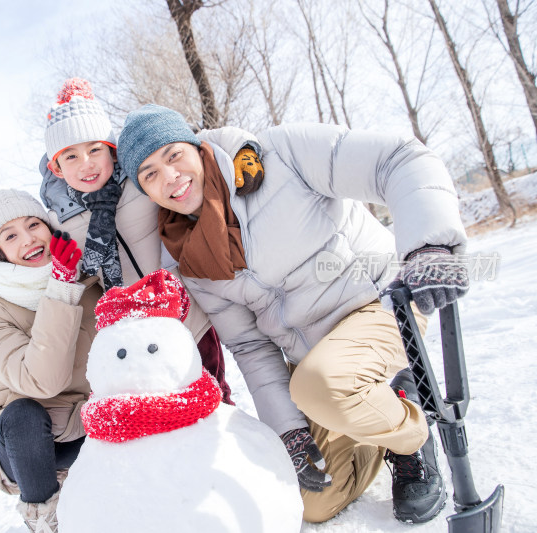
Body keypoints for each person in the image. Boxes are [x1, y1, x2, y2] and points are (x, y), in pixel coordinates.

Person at [115, 104, 470, 524]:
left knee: (321, 385)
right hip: (313, 361)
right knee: (314, 502)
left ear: (198, 145)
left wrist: (427, 245)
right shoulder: (185, 256)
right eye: (149, 174)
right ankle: (388, 400)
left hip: (377, 304)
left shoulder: (281, 154)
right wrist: (291, 434)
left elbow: (395, 159)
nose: (169, 178)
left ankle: (412, 439)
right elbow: (249, 345)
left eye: (173, 155)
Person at [38, 78, 264, 404]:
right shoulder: (61, 219)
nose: (86, 163)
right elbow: (68, 275)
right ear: (56, 168)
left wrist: (243, 148)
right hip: (132, 337)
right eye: (70, 156)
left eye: (95, 149)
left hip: (188, 318)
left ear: (112, 149)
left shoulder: (141, 177)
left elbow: (195, 144)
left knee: (216, 398)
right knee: (164, 419)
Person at [0, 188, 103, 533]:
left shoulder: (88, 278)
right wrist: (61, 289)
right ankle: (45, 520)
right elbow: (42, 383)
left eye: (33, 225)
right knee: (25, 414)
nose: (27, 239)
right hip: (25, 441)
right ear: (0, 252)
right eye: (11, 235)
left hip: (85, 422)